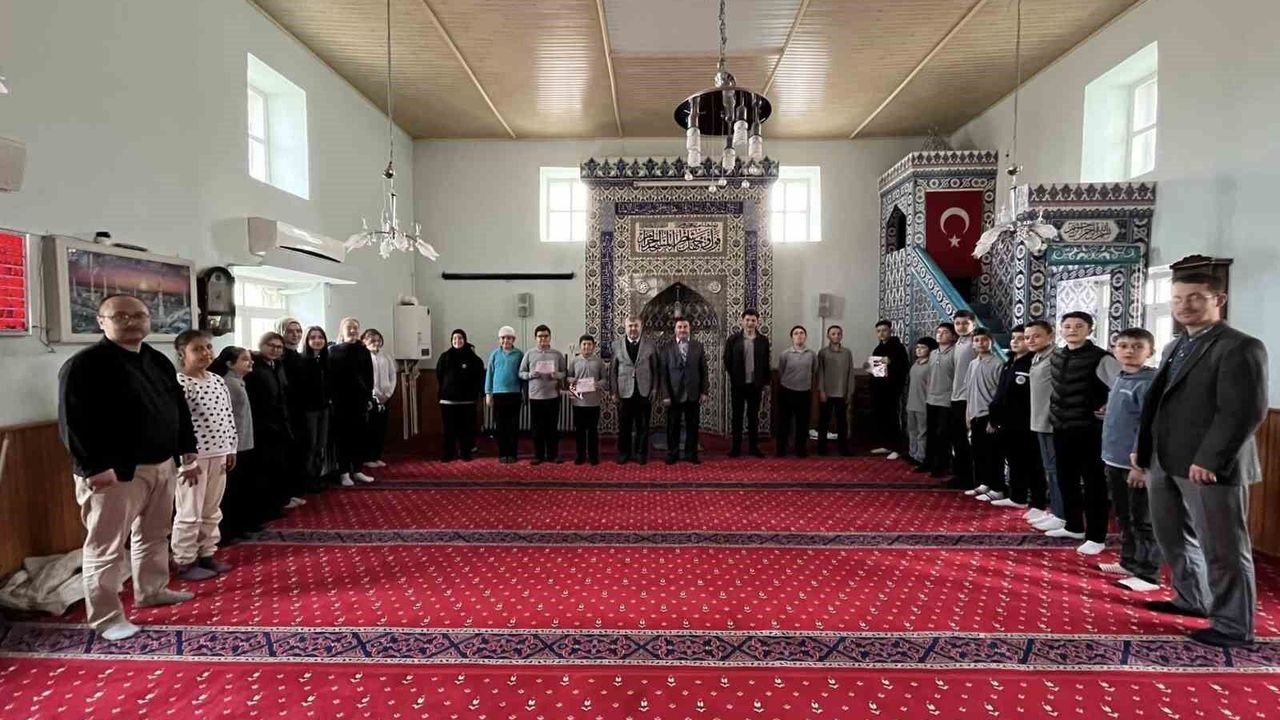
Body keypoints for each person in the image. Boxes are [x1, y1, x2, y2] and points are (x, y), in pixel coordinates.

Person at [1134, 273, 1268, 648]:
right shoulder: (1175, 345)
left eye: (1195, 297)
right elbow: (1161, 403)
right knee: (1173, 537)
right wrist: (1143, 450)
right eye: (1177, 299)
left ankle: (1233, 625)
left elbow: (1243, 411)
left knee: (1223, 548)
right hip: (1164, 459)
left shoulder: (1240, 346)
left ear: (1218, 300)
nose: (1184, 306)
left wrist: (1211, 458)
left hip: (1209, 466)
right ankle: (1191, 598)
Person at [56, 294, 198, 641]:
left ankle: (152, 590)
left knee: (154, 534)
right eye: (121, 316)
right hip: (113, 472)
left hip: (161, 464)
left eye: (139, 315)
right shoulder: (84, 365)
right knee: (106, 546)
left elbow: (177, 408)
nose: (132, 321)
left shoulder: (157, 360)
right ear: (101, 322)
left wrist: (187, 449)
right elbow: (73, 422)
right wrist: (94, 467)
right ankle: (106, 618)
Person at [1047, 311, 1121, 552]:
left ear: (1090, 330)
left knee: (1093, 483)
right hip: (1061, 427)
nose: (1072, 330)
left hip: (1090, 429)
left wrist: (1108, 406)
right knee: (1065, 478)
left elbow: (1121, 387)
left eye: (1079, 326)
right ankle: (1074, 525)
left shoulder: (1101, 358)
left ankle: (1096, 536)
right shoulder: (1058, 355)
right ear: (1061, 330)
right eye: (1067, 326)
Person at [170, 330, 238, 582]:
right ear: (182, 354)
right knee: (190, 512)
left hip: (219, 454)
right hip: (193, 459)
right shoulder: (180, 383)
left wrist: (231, 447)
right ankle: (184, 559)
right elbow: (177, 424)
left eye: (208, 347)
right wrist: (185, 461)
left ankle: (207, 553)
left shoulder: (217, 380)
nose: (206, 353)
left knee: (211, 510)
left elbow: (228, 416)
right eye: (197, 349)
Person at [1098, 328, 1161, 592]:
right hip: (1114, 459)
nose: (1129, 351)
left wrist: (1140, 465)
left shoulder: (1149, 382)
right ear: (1114, 350)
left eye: (1137, 347)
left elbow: (1149, 426)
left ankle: (1148, 574)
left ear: (1150, 352)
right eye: (1123, 346)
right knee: (1124, 516)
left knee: (1143, 520)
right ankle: (1129, 561)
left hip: (1135, 465)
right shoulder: (1122, 378)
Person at [988, 325, 1045, 512]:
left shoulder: (1032, 364)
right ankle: (1017, 496)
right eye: (1014, 338)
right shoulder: (1009, 362)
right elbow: (1001, 393)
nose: (1016, 342)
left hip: (1025, 423)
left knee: (1032, 463)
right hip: (1007, 422)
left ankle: (1037, 501)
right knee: (1014, 461)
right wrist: (995, 417)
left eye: (1021, 338)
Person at [244, 332, 293, 519]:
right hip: (262, 427)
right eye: (271, 345)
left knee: (278, 468)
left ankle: (276, 506)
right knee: (263, 470)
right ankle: (263, 510)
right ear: (261, 345)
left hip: (279, 425)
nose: (275, 350)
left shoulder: (277, 366)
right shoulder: (254, 368)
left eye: (279, 347)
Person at [209, 346, 255, 543]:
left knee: (240, 488)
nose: (250, 362)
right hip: (234, 445)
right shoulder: (229, 384)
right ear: (230, 363)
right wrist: (231, 446)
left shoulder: (238, 382)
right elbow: (228, 418)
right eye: (245, 359)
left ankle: (238, 527)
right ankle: (228, 531)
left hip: (242, 443)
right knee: (230, 491)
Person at [1024, 320, 1066, 532]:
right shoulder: (1038, 357)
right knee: (1050, 470)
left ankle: (1062, 515)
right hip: (1039, 420)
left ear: (1050, 336)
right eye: (1027, 337)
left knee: (1057, 470)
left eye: (1036, 336)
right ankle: (1056, 511)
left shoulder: (1057, 357)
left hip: (1051, 422)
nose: (1031, 340)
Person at [329, 317, 375, 486]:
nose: (353, 330)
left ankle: (357, 470)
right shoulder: (333, 350)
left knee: (359, 436)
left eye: (356, 327)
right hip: (341, 401)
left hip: (360, 400)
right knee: (343, 438)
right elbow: (330, 377)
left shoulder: (363, 351)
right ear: (342, 330)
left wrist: (368, 397)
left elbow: (369, 376)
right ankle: (344, 473)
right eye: (349, 327)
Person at [963, 328, 1007, 501]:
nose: (980, 343)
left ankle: (997, 488)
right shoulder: (972, 364)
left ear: (991, 342)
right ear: (973, 344)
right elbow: (969, 391)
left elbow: (1000, 395)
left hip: (989, 415)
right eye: (977, 340)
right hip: (975, 414)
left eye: (984, 340)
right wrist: (968, 414)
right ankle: (984, 483)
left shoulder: (998, 364)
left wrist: (995, 419)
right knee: (979, 452)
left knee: (993, 454)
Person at [722, 309, 770, 458]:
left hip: (755, 385)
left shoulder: (763, 340)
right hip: (738, 385)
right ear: (742, 321)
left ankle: (753, 448)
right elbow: (727, 360)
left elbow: (765, 363)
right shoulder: (733, 340)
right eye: (747, 320)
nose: (750, 323)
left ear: (757, 322)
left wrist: (766, 382)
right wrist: (735, 376)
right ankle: (736, 448)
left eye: (753, 320)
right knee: (737, 416)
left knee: (753, 417)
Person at [661, 318, 709, 465]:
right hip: (673, 394)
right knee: (672, 426)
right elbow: (663, 373)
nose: (682, 329)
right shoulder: (667, 347)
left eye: (685, 327)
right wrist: (665, 394)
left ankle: (691, 454)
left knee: (693, 426)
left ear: (689, 329)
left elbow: (704, 370)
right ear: (675, 329)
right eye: (680, 327)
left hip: (693, 393)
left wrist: (704, 391)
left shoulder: (698, 346)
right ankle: (672, 454)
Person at [612, 316, 658, 465]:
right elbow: (613, 371)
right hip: (623, 392)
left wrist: (654, 389)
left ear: (641, 326)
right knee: (624, 425)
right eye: (630, 326)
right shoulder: (616, 345)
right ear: (625, 327)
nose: (633, 329)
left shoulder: (650, 345)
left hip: (644, 391)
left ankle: (641, 453)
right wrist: (614, 392)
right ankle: (624, 453)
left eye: (636, 326)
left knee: (643, 425)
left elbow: (655, 369)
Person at [519, 324, 567, 465]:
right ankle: (538, 455)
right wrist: (531, 375)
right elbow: (521, 373)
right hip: (536, 397)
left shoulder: (557, 354)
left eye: (545, 336)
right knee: (537, 428)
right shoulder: (529, 354)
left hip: (553, 396)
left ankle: (553, 455)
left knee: (552, 427)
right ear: (535, 338)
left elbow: (565, 372)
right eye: (540, 336)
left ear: (550, 337)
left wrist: (557, 375)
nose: (543, 339)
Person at [292, 327, 332, 498]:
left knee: (321, 445)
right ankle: (307, 481)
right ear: (307, 341)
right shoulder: (302, 361)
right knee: (310, 446)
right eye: (313, 337)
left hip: (324, 409)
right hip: (309, 411)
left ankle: (316, 477)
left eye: (320, 337)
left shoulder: (325, 360)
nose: (317, 340)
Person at [436, 328, 485, 462]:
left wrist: (475, 393)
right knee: (449, 429)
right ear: (451, 341)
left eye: (460, 338)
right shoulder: (445, 357)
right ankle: (449, 453)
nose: (457, 341)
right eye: (455, 339)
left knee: (466, 429)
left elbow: (479, 377)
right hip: (448, 401)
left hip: (467, 401)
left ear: (465, 340)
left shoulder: (474, 359)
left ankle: (465, 452)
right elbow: (439, 375)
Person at [868, 320, 910, 459]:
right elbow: (877, 372)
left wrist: (891, 362)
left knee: (893, 418)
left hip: (892, 390)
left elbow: (904, 367)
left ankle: (897, 448)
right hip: (880, 390)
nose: (881, 333)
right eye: (879, 331)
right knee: (882, 418)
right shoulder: (878, 349)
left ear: (890, 331)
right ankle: (886, 444)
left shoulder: (898, 348)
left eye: (884, 330)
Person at [947, 310, 978, 487]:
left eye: (965, 323)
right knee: (957, 438)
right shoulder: (958, 343)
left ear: (973, 324)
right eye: (958, 323)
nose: (961, 326)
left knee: (967, 440)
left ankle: (969, 478)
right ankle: (960, 475)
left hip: (968, 397)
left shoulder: (975, 343)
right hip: (956, 396)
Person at [485, 326, 524, 464]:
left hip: (514, 394)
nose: (505, 340)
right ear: (499, 339)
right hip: (498, 394)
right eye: (503, 338)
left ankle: (512, 453)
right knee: (500, 426)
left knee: (513, 426)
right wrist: (488, 393)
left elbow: (523, 375)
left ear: (513, 339)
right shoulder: (494, 354)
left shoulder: (519, 354)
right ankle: (503, 453)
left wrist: (524, 393)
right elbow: (489, 374)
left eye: (508, 338)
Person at [777, 325, 817, 458]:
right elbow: (781, 371)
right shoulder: (785, 354)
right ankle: (781, 449)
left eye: (801, 333)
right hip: (787, 391)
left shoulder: (811, 354)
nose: (799, 335)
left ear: (805, 336)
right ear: (792, 337)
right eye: (796, 333)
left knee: (802, 423)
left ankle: (801, 449)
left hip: (804, 392)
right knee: (784, 422)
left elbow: (814, 371)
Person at [816, 325, 856, 456]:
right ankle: (821, 448)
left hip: (842, 392)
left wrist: (850, 391)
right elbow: (820, 373)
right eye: (833, 334)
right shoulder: (823, 353)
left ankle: (843, 448)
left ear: (841, 336)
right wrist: (821, 390)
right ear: (828, 336)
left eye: (838, 334)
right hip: (827, 392)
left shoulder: (847, 353)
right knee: (824, 421)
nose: (836, 336)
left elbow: (850, 373)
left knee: (842, 422)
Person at [925, 322, 957, 479]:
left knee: (943, 434)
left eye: (945, 332)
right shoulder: (933, 353)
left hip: (946, 399)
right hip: (931, 398)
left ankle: (942, 465)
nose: (940, 334)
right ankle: (929, 462)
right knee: (931, 433)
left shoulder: (955, 353)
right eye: (938, 332)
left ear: (953, 336)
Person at [569, 334, 607, 465]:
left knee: (592, 431)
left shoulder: (599, 362)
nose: (586, 347)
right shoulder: (574, 361)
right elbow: (568, 377)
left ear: (593, 346)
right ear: (580, 346)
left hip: (593, 402)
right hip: (578, 402)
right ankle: (580, 456)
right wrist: (572, 380)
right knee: (579, 431)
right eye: (584, 344)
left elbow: (604, 379)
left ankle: (593, 456)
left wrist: (598, 384)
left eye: (589, 344)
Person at [362, 328, 396, 469]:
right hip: (371, 398)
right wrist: (374, 395)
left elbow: (392, 375)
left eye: (378, 340)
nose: (376, 343)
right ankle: (367, 457)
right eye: (372, 340)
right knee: (370, 428)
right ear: (364, 341)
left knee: (381, 428)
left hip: (385, 397)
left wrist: (388, 393)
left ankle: (376, 456)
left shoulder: (386, 356)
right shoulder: (364, 357)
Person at [905, 337, 937, 470]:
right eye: (917, 347)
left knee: (922, 433)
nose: (918, 350)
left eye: (922, 347)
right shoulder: (915, 364)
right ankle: (912, 453)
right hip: (911, 403)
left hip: (923, 404)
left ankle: (921, 457)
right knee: (912, 431)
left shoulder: (930, 366)